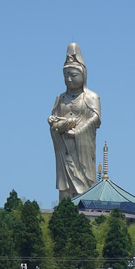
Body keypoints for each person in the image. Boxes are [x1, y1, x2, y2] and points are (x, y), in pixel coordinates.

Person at [48, 43, 101, 200]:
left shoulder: (91, 97)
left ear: (83, 75)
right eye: (66, 76)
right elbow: (54, 117)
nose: (69, 79)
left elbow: (96, 119)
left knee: (84, 182)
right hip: (64, 148)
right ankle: (64, 207)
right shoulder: (61, 98)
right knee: (65, 184)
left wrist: (77, 132)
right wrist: (53, 121)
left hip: (82, 146)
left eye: (73, 75)